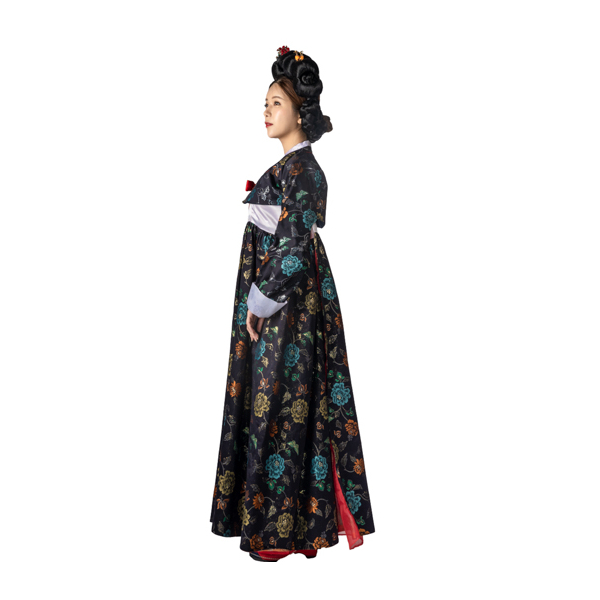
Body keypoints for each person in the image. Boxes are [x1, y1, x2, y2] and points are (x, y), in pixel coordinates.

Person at [209, 46, 375, 562]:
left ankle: (284, 530)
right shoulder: (289, 167)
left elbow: (295, 247)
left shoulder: (305, 172)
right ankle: (276, 525)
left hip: (290, 312)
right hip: (280, 306)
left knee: (284, 403)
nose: (266, 110)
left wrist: (259, 304)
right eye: (265, 102)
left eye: (275, 103)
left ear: (299, 112)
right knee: (273, 402)